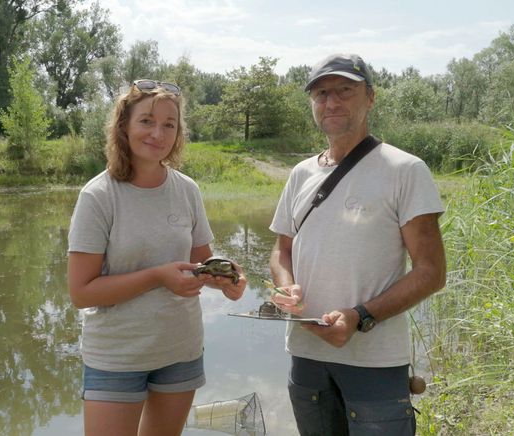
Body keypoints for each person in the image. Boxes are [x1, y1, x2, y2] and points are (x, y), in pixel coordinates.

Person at [268, 53, 446, 435]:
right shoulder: (300, 174)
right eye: (321, 93)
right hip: (306, 354)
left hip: (376, 363)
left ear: (371, 97)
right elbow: (281, 251)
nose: (331, 102)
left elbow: (431, 272)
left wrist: (360, 316)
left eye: (345, 90)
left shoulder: (405, 170)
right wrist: (285, 285)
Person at [67, 79, 247, 436]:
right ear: (124, 126)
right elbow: (81, 293)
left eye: (169, 124)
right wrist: (158, 277)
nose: (158, 133)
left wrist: (228, 281)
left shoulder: (187, 190)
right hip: (116, 355)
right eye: (147, 120)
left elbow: (201, 264)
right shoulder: (98, 196)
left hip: (180, 350)